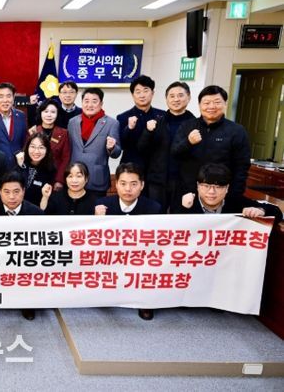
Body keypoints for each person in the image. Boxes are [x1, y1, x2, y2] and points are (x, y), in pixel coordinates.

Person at [94, 163, 161, 321]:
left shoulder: (154, 208)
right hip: (111, 258)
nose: (128, 189)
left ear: (142, 185)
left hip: (140, 259)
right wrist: (97, 220)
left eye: (133, 184)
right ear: (116, 184)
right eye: (123, 184)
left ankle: (145, 303)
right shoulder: (102, 206)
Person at [0, 170, 43, 321]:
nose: (12, 197)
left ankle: (27, 304)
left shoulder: (36, 213)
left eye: (16, 191)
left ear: (23, 191)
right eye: (6, 192)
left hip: (23, 259)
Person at [172, 85, 251, 198]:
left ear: (225, 104)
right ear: (199, 105)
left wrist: (234, 195)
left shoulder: (237, 131)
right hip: (188, 191)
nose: (211, 106)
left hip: (219, 194)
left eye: (217, 102)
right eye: (206, 103)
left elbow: (242, 167)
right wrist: (188, 142)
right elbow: (174, 153)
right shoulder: (187, 126)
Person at [137, 81, 196, 212]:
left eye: (180, 95)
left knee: (180, 218)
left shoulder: (196, 124)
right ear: (166, 99)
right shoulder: (157, 122)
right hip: (157, 181)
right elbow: (141, 149)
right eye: (172, 96)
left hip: (184, 183)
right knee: (155, 217)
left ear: (189, 97)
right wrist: (148, 132)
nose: (176, 99)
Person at [175, 163, 282, 221]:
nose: (211, 192)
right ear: (198, 186)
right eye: (206, 186)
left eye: (218, 187)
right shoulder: (188, 201)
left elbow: (277, 212)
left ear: (227, 188)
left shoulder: (234, 200)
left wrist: (261, 210)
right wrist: (183, 208)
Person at [67, 87, 121, 198]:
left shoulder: (111, 123)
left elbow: (117, 153)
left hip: (97, 178)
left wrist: (111, 147)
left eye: (94, 101)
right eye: (86, 101)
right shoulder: (72, 122)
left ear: (101, 103)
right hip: (75, 178)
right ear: (82, 103)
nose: (90, 105)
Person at [117, 75, 165, 171]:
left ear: (152, 93)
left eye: (145, 91)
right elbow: (121, 145)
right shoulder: (123, 117)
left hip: (155, 169)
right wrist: (129, 128)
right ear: (132, 95)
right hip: (130, 168)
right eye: (138, 92)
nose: (142, 95)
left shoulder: (162, 116)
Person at [28, 98, 70, 188]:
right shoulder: (33, 131)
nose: (49, 115)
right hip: (35, 176)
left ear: (57, 114)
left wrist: (59, 180)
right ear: (40, 113)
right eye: (46, 111)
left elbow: (66, 158)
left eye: (53, 112)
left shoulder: (64, 133)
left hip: (55, 178)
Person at [15, 132, 55, 207]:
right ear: (27, 147)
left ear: (47, 150)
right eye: (33, 147)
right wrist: (20, 167)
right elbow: (14, 186)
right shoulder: (18, 159)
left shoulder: (50, 169)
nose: (36, 151)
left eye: (41, 147)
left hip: (34, 209)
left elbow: (45, 198)